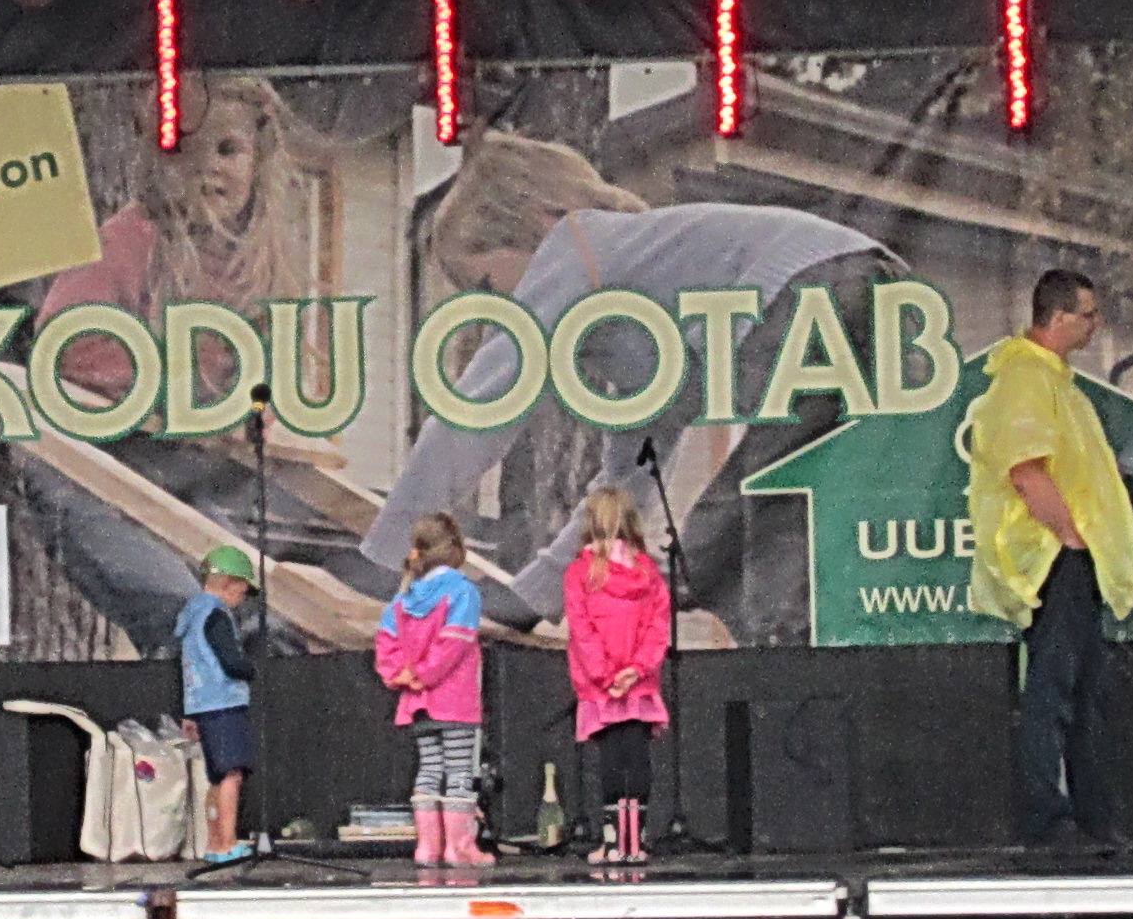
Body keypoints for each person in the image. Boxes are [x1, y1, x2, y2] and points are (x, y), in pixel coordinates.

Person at [364, 128, 890, 620]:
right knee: (788, 521)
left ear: (537, 223)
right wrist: (537, 594)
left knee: (728, 530)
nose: (495, 311)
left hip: (815, 288)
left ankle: (698, 596)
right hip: (881, 289)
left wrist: (391, 555)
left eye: (485, 286)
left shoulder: (572, 245)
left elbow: (477, 412)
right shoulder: (646, 305)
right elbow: (627, 479)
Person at [957, 269, 1133, 854]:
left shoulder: (1055, 380)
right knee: (1053, 691)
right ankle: (1046, 818)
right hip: (1052, 557)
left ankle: (1092, 817)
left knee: (1085, 693)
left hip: (1069, 556)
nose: (1096, 325)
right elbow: (1026, 470)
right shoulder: (1025, 379)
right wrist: (1070, 536)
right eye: (1088, 314)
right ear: (1058, 317)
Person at [36, 75, 315, 408]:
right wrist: (172, 375)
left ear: (258, 162)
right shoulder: (127, 242)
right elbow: (62, 344)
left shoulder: (263, 261)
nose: (208, 165)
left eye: (227, 150)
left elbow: (273, 377)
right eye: (187, 150)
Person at [559, 485, 672, 867]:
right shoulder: (648, 571)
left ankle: (611, 844)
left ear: (590, 522)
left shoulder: (579, 573)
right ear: (632, 521)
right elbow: (658, 627)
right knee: (637, 757)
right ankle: (634, 843)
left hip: (601, 687)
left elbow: (582, 630)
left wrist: (606, 676)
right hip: (638, 684)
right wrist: (636, 671)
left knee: (611, 759)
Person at [374, 511, 492, 871]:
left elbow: (385, 643)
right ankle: (459, 848)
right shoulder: (463, 591)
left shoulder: (403, 597)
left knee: (428, 768)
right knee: (459, 771)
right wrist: (425, 674)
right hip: (454, 701)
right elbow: (453, 644)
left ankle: (427, 848)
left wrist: (403, 675)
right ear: (454, 548)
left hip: (418, 703)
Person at [175, 544, 262, 863]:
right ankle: (227, 842)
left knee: (216, 776)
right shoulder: (216, 615)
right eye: (242, 590)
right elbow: (231, 662)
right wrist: (249, 668)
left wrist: (189, 712)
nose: (243, 597)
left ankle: (213, 843)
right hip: (224, 703)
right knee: (231, 775)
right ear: (227, 584)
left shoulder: (193, 616)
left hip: (202, 705)